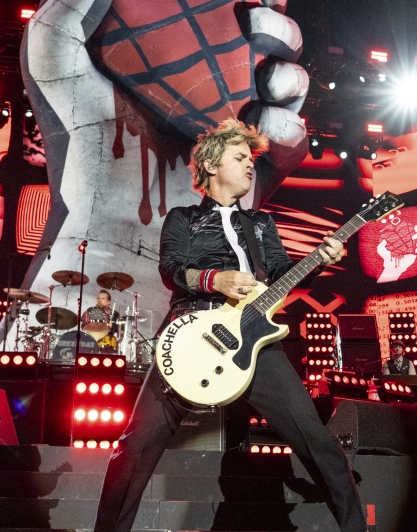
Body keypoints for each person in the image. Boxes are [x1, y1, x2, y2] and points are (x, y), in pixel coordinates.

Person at [93, 119, 363, 532]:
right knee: (134, 448)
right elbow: (172, 269)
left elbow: (282, 277)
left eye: (252, 159)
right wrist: (214, 279)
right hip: (190, 336)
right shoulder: (182, 218)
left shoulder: (261, 225)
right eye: (240, 157)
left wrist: (319, 261)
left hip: (254, 341)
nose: (250, 166)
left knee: (320, 444)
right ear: (211, 164)